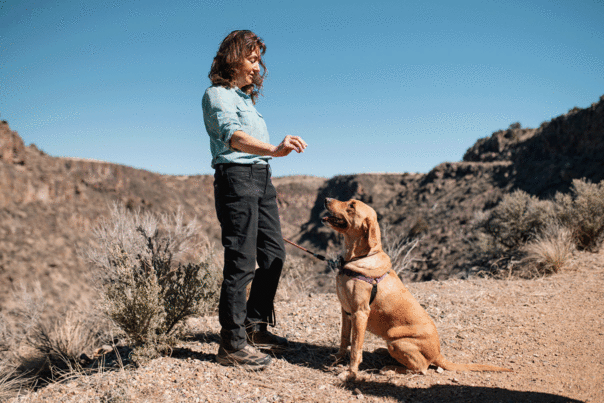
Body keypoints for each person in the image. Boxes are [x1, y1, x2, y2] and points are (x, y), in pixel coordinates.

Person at [202, 30, 307, 369]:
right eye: (252, 59)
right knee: (241, 263)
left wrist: (271, 156)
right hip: (238, 180)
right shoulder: (217, 96)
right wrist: (275, 149)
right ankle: (231, 343)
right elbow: (234, 138)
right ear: (233, 60)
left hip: (262, 180)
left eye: (259, 59)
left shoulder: (246, 100)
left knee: (274, 255)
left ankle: (255, 327)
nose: (258, 66)